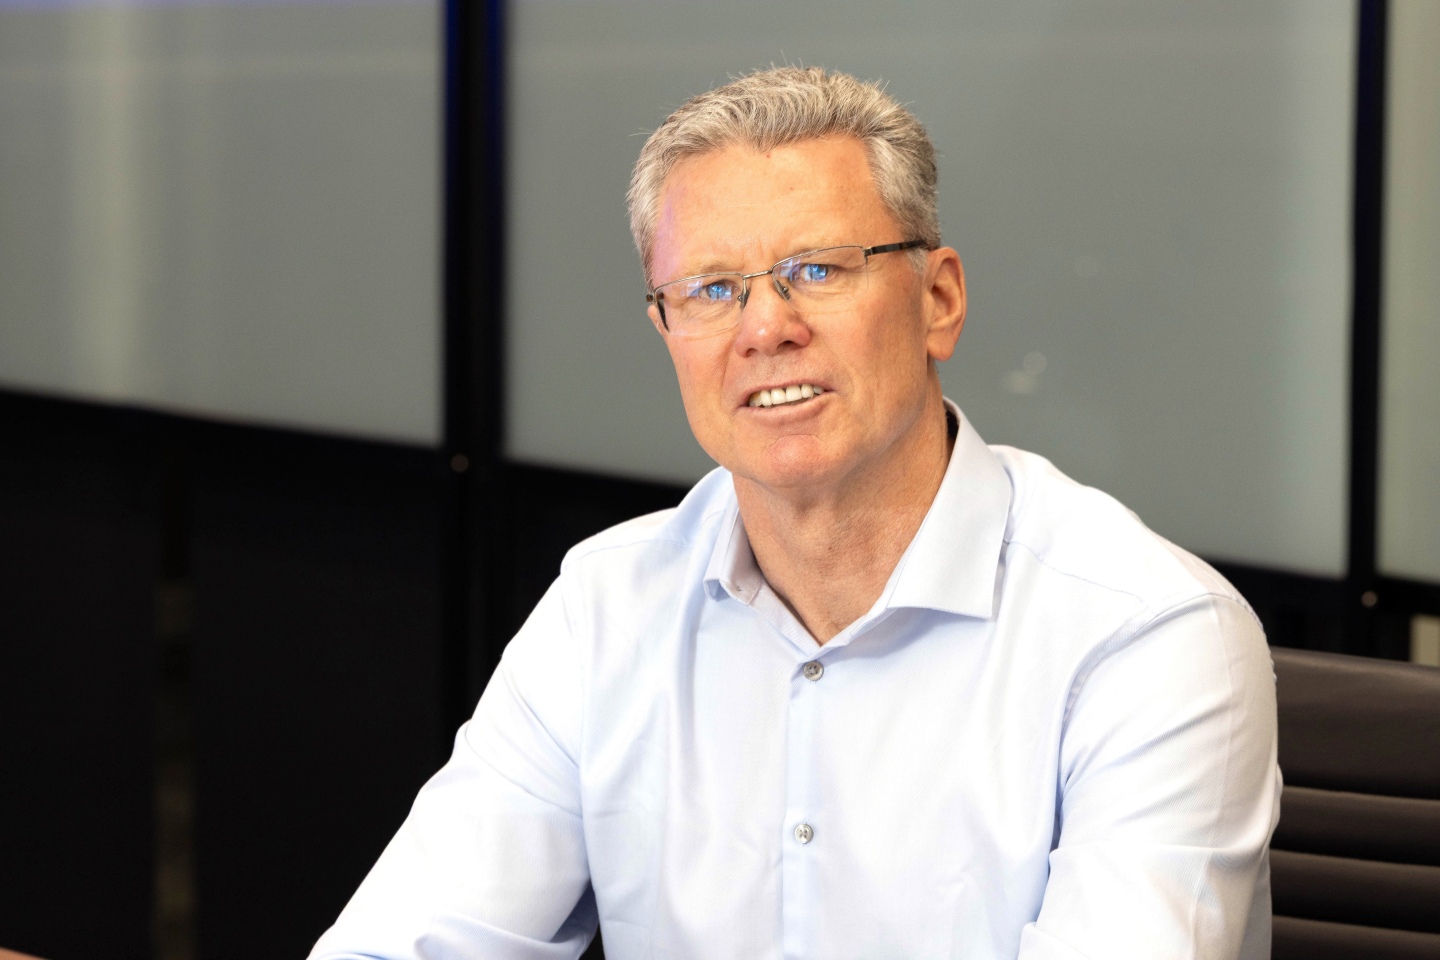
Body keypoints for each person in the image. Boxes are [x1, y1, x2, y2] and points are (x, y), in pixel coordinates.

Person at [310, 66, 1279, 960]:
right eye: (712, 290)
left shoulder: (1145, 635)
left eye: (819, 268)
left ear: (939, 300)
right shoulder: (605, 610)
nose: (766, 328)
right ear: (667, 331)